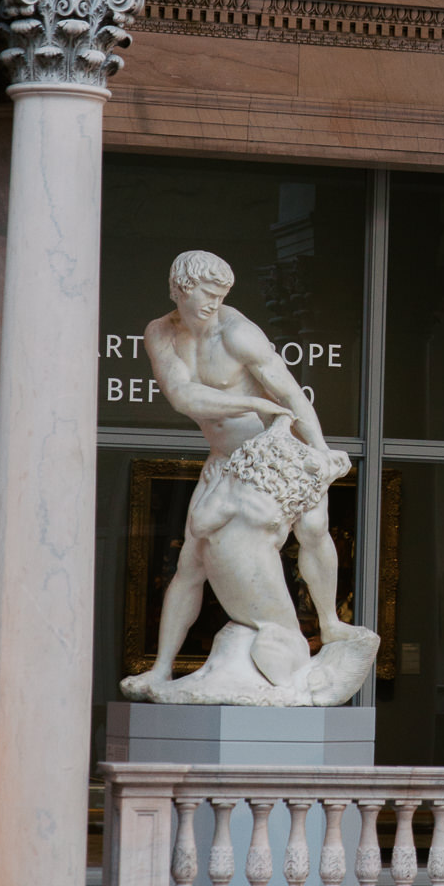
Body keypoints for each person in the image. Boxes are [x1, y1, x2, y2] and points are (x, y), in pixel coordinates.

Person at [121, 250, 375, 704]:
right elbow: (182, 397)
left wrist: (317, 452)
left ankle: (330, 622)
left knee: (314, 529)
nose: (213, 303)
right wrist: (251, 404)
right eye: (206, 294)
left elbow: (292, 395)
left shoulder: (238, 334)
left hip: (273, 450)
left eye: (221, 296)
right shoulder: (160, 333)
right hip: (225, 458)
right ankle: (160, 669)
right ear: (181, 288)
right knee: (190, 562)